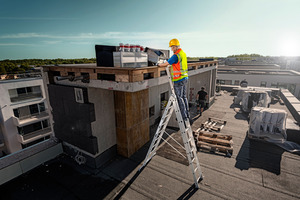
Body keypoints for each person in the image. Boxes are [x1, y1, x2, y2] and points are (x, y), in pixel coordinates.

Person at [158, 38, 190, 124]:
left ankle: (183, 117)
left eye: (172, 47)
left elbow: (166, 64)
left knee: (179, 98)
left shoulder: (176, 55)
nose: (171, 49)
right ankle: (186, 114)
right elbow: (174, 62)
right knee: (183, 97)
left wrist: (159, 64)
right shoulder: (182, 53)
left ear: (175, 46)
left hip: (178, 79)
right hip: (184, 78)